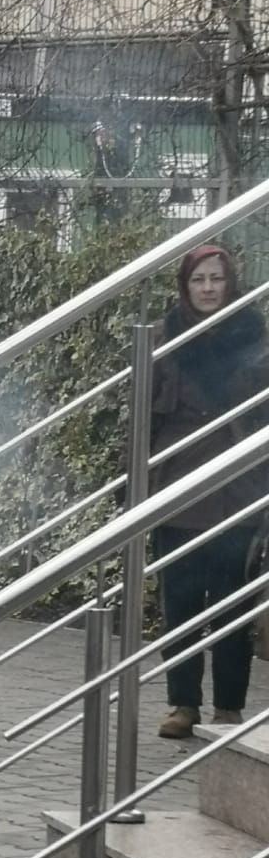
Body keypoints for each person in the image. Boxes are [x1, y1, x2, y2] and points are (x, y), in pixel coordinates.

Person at [150, 243, 269, 738]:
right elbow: (142, 420)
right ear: (185, 284)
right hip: (177, 484)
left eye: (216, 279)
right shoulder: (161, 338)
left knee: (232, 602)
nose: (207, 288)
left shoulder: (256, 337)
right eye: (199, 279)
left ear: (230, 282)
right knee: (179, 601)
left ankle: (228, 707)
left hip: (238, 486)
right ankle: (183, 704)